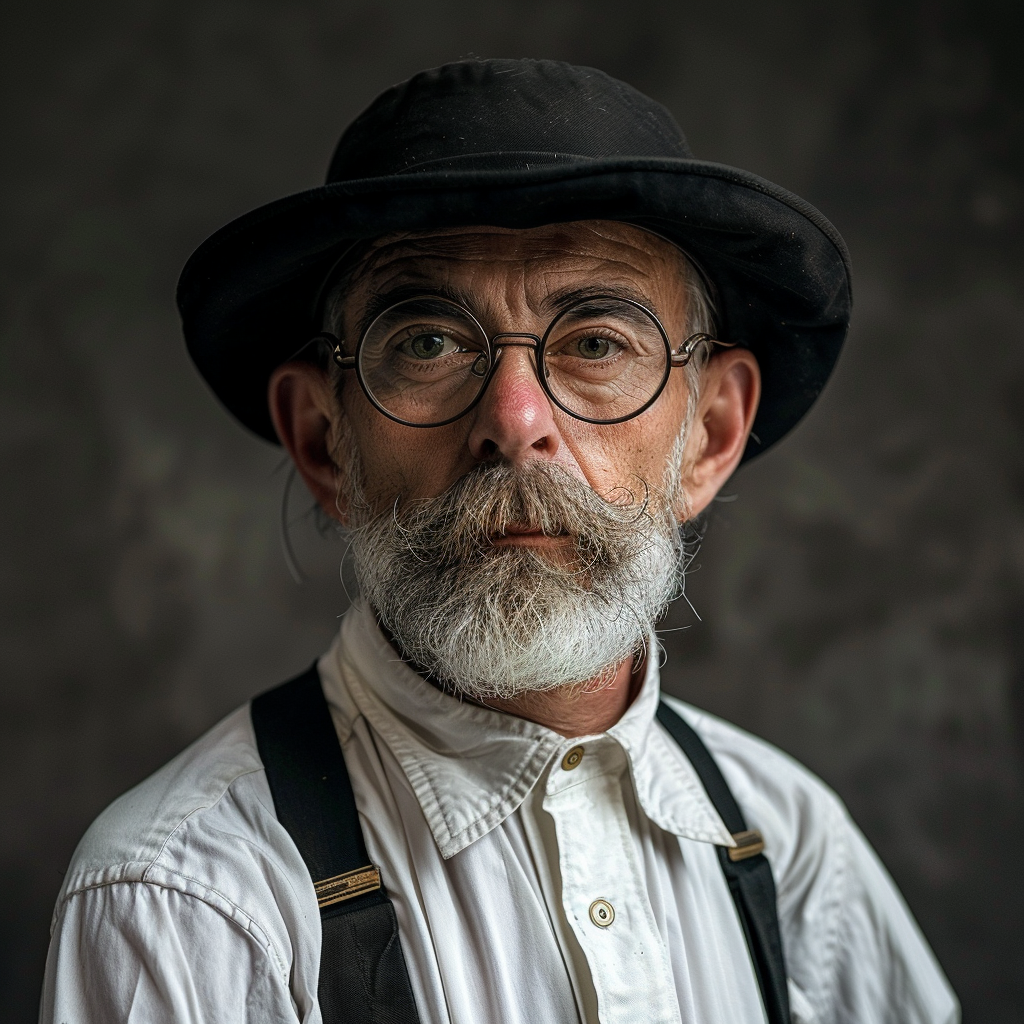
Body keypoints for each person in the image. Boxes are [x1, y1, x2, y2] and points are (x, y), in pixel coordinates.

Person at [39, 59, 959, 1024]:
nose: (515, 422)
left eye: (599, 342)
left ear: (711, 436)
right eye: (428, 342)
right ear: (323, 442)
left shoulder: (795, 849)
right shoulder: (186, 902)